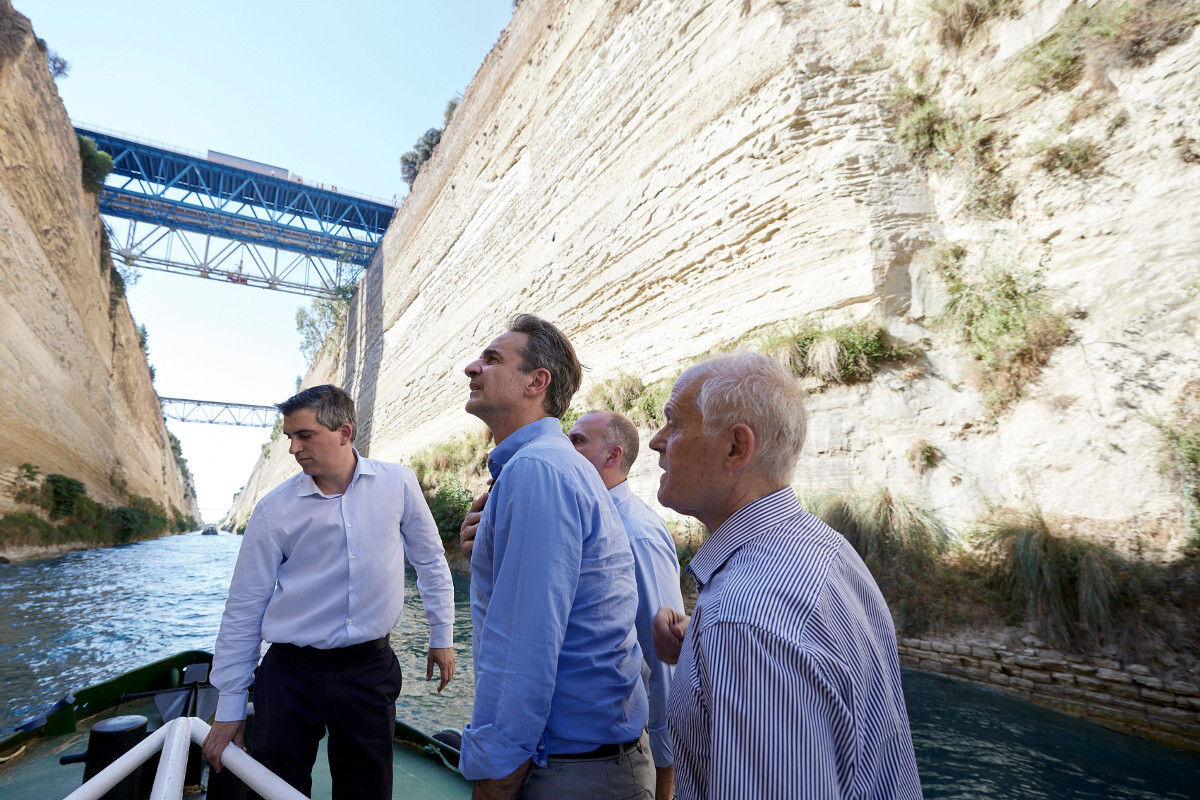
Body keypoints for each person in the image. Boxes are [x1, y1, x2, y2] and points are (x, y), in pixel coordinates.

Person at [648, 354, 922, 800]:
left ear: (736, 447)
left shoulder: (743, 623)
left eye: (674, 423)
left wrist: (725, 640)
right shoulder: (827, 548)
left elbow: (759, 634)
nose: (657, 441)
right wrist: (700, 646)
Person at [201, 384, 456, 799]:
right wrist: (230, 706)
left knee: (367, 792)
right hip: (289, 674)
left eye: (305, 436)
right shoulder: (272, 509)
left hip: (369, 671)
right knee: (276, 790)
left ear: (344, 432)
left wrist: (441, 636)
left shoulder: (398, 484)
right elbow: (245, 606)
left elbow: (430, 561)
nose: (293, 449)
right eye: (290, 437)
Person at [458, 314, 653, 800]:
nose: (472, 368)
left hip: (569, 772)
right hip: (591, 763)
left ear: (536, 382)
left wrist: (497, 778)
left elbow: (525, 645)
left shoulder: (537, 469)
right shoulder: (549, 465)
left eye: (492, 359)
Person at [566, 410, 685, 800]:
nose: (565, 448)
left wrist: (665, 781)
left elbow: (665, 659)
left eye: (577, 441)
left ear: (612, 456)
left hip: (620, 757)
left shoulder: (637, 535)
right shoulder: (584, 523)